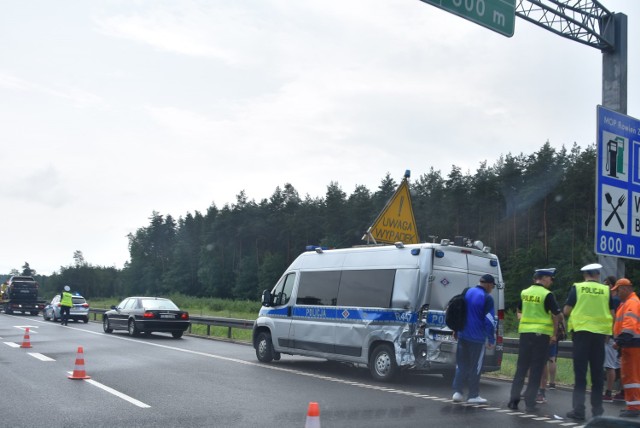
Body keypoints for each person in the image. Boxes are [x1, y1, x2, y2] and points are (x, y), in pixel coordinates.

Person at [563, 263, 615, 421]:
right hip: (599, 336)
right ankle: (598, 411)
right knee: (598, 374)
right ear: (598, 275)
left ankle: (579, 411)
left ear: (584, 275)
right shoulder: (606, 290)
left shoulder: (577, 288)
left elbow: (566, 310)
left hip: (581, 334)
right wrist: (608, 332)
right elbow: (612, 313)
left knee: (580, 374)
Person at [508, 268, 562, 412]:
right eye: (550, 278)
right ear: (544, 278)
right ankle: (530, 403)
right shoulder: (547, 294)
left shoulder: (525, 292)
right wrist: (554, 334)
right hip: (541, 335)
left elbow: (519, 311)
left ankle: (513, 401)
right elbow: (557, 314)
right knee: (536, 369)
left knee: (521, 368)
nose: (551, 281)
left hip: (525, 334)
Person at [452, 273, 496, 404]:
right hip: (477, 338)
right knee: (475, 366)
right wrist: (491, 339)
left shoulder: (467, 291)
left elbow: (458, 312)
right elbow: (489, 320)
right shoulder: (487, 298)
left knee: (461, 364)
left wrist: (455, 329)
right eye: (492, 286)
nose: (492, 289)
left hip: (463, 335)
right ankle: (473, 395)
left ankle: (457, 392)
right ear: (488, 284)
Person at [612, 278, 640, 418]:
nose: (616, 294)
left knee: (631, 377)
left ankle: (634, 407)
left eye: (617, 290)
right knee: (631, 376)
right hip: (630, 344)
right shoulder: (628, 302)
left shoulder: (631, 303)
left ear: (624, 288)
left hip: (631, 345)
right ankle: (633, 405)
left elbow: (629, 326)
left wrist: (620, 341)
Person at [603, 275, 623, 403]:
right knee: (619, 365)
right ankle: (623, 392)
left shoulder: (613, 300)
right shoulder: (620, 301)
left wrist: (608, 333)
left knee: (610, 365)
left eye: (606, 284)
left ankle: (608, 393)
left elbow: (612, 318)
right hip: (621, 337)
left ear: (611, 286)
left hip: (612, 337)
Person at [537, 312, 565, 403]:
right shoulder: (553, 305)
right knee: (552, 358)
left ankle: (537, 387)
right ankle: (552, 383)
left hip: (541, 334)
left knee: (540, 361)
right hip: (552, 335)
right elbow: (561, 317)